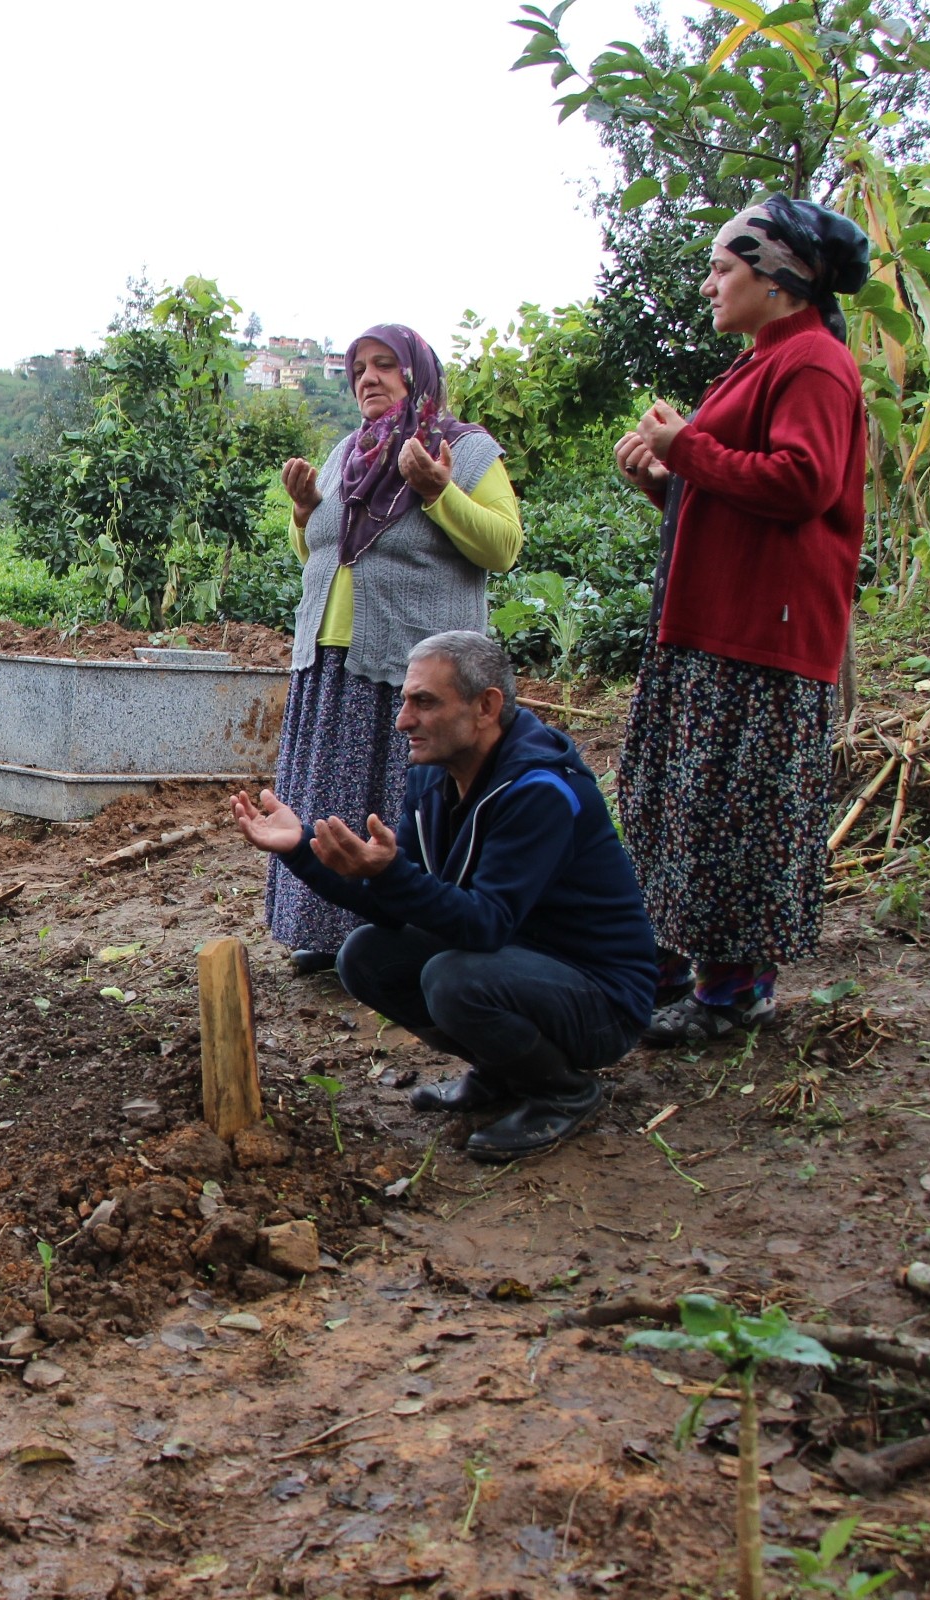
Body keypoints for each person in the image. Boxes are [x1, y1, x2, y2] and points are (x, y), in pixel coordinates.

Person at [232, 632, 656, 1161]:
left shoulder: (540, 791)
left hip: (601, 999)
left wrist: (391, 875)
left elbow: (484, 925)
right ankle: (503, 1072)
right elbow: (397, 905)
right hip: (521, 968)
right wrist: (299, 850)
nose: (403, 719)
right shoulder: (434, 778)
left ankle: (561, 1090)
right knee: (365, 956)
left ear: (486, 706)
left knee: (452, 979)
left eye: (424, 702)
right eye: (407, 701)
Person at [610, 196, 872, 1044]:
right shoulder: (761, 362)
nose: (710, 284)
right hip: (711, 625)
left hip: (762, 635)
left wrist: (685, 448)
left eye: (725, 268)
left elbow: (803, 482)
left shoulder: (813, 365)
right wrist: (664, 479)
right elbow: (734, 496)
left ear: (781, 277)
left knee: (732, 811)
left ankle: (734, 994)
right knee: (681, 801)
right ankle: (671, 970)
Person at [266, 325, 524, 978]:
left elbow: (502, 547)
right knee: (326, 794)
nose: (368, 379)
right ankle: (320, 933)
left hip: (412, 667)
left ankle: (400, 937)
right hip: (330, 662)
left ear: (418, 375)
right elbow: (320, 552)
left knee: (397, 803)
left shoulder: (464, 451)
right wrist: (302, 514)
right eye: (358, 369)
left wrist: (439, 492)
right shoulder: (345, 453)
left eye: (385, 366)